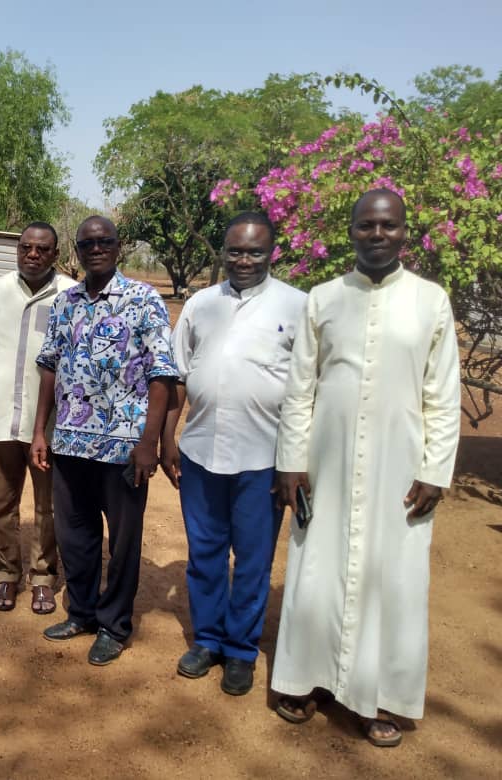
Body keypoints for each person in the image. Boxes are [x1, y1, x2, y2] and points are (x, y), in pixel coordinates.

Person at [271, 189, 461, 747]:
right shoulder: (323, 298)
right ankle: (305, 678)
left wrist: (435, 469)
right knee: (316, 569)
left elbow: (443, 395)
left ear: (405, 231)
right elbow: (300, 386)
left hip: (400, 469)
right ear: (350, 230)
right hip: (325, 464)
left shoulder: (431, 301)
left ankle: (380, 696)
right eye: (366, 226)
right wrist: (292, 461)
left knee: (395, 578)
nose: (377, 235)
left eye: (389, 226)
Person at [159, 212, 306, 695]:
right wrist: (166, 438)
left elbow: (310, 391)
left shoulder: (298, 306)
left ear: (272, 252)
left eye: (255, 252)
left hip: (263, 459)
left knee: (253, 559)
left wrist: (295, 462)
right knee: (203, 555)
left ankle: (241, 649)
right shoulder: (201, 304)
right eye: (235, 251)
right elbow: (177, 376)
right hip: (200, 453)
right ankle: (207, 640)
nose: (244, 260)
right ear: (223, 251)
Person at [31, 216, 177, 665]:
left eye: (104, 242)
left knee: (124, 540)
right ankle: (82, 613)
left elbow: (161, 373)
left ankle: (114, 625)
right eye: (87, 243)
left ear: (118, 248)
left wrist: (149, 441)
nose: (96, 248)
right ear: (77, 251)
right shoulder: (66, 303)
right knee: (75, 536)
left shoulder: (143, 300)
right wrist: (41, 429)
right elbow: (50, 367)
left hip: (123, 446)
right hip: (71, 442)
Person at [0, 222, 75, 614]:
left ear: (55, 253)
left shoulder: (70, 295)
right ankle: (7, 574)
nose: (32, 255)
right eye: (25, 248)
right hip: (0, 418)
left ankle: (42, 577)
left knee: (46, 505)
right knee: (1, 503)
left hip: (47, 425)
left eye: (42, 249)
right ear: (17, 250)